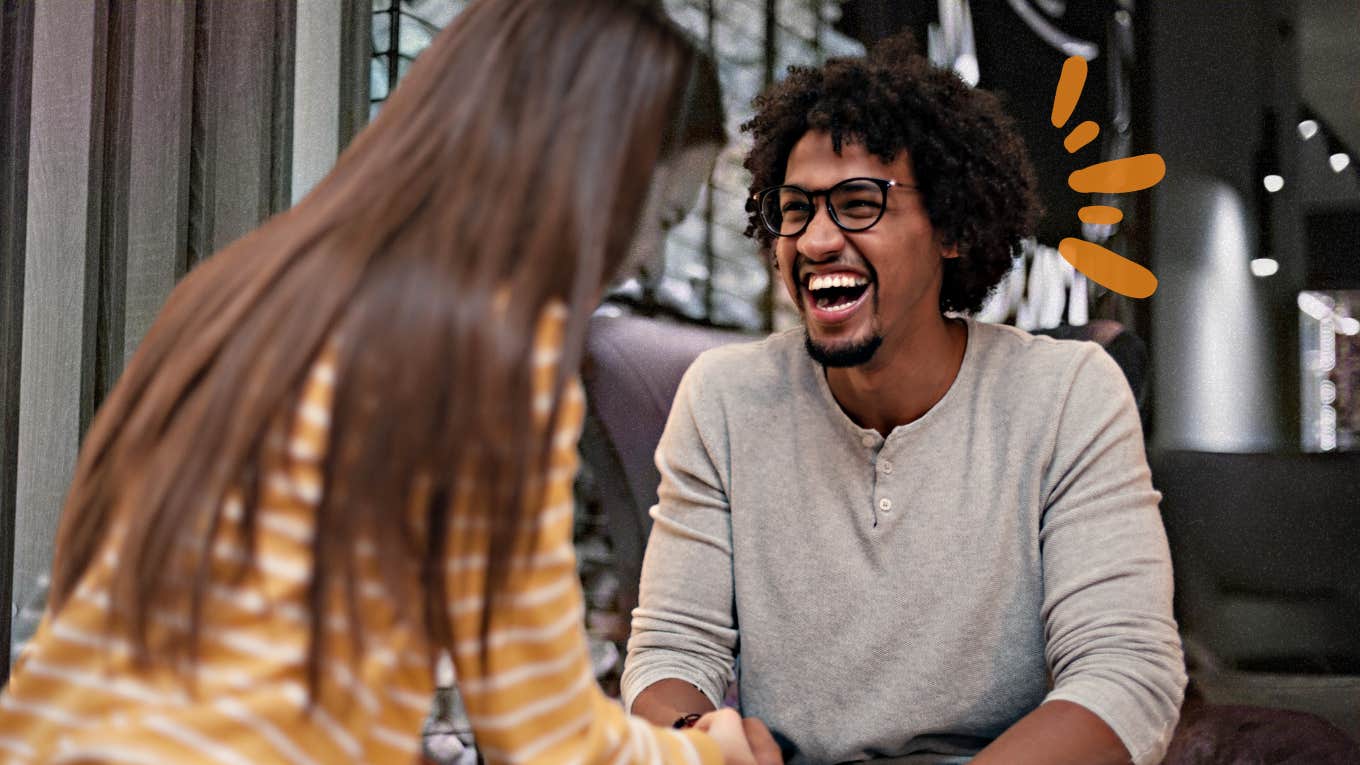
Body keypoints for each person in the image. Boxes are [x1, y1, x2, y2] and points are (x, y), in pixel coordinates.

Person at [0, 2, 774, 763]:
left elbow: (70, 615)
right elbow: (546, 739)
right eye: (664, 217)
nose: (649, 266)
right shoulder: (491, 347)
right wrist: (716, 755)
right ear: (598, 171)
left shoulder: (246, 286)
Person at [621, 33, 1187, 765]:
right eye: (795, 209)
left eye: (860, 204)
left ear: (951, 226)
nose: (817, 237)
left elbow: (1126, 672)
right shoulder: (724, 398)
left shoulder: (1067, 393)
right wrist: (699, 736)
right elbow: (670, 649)